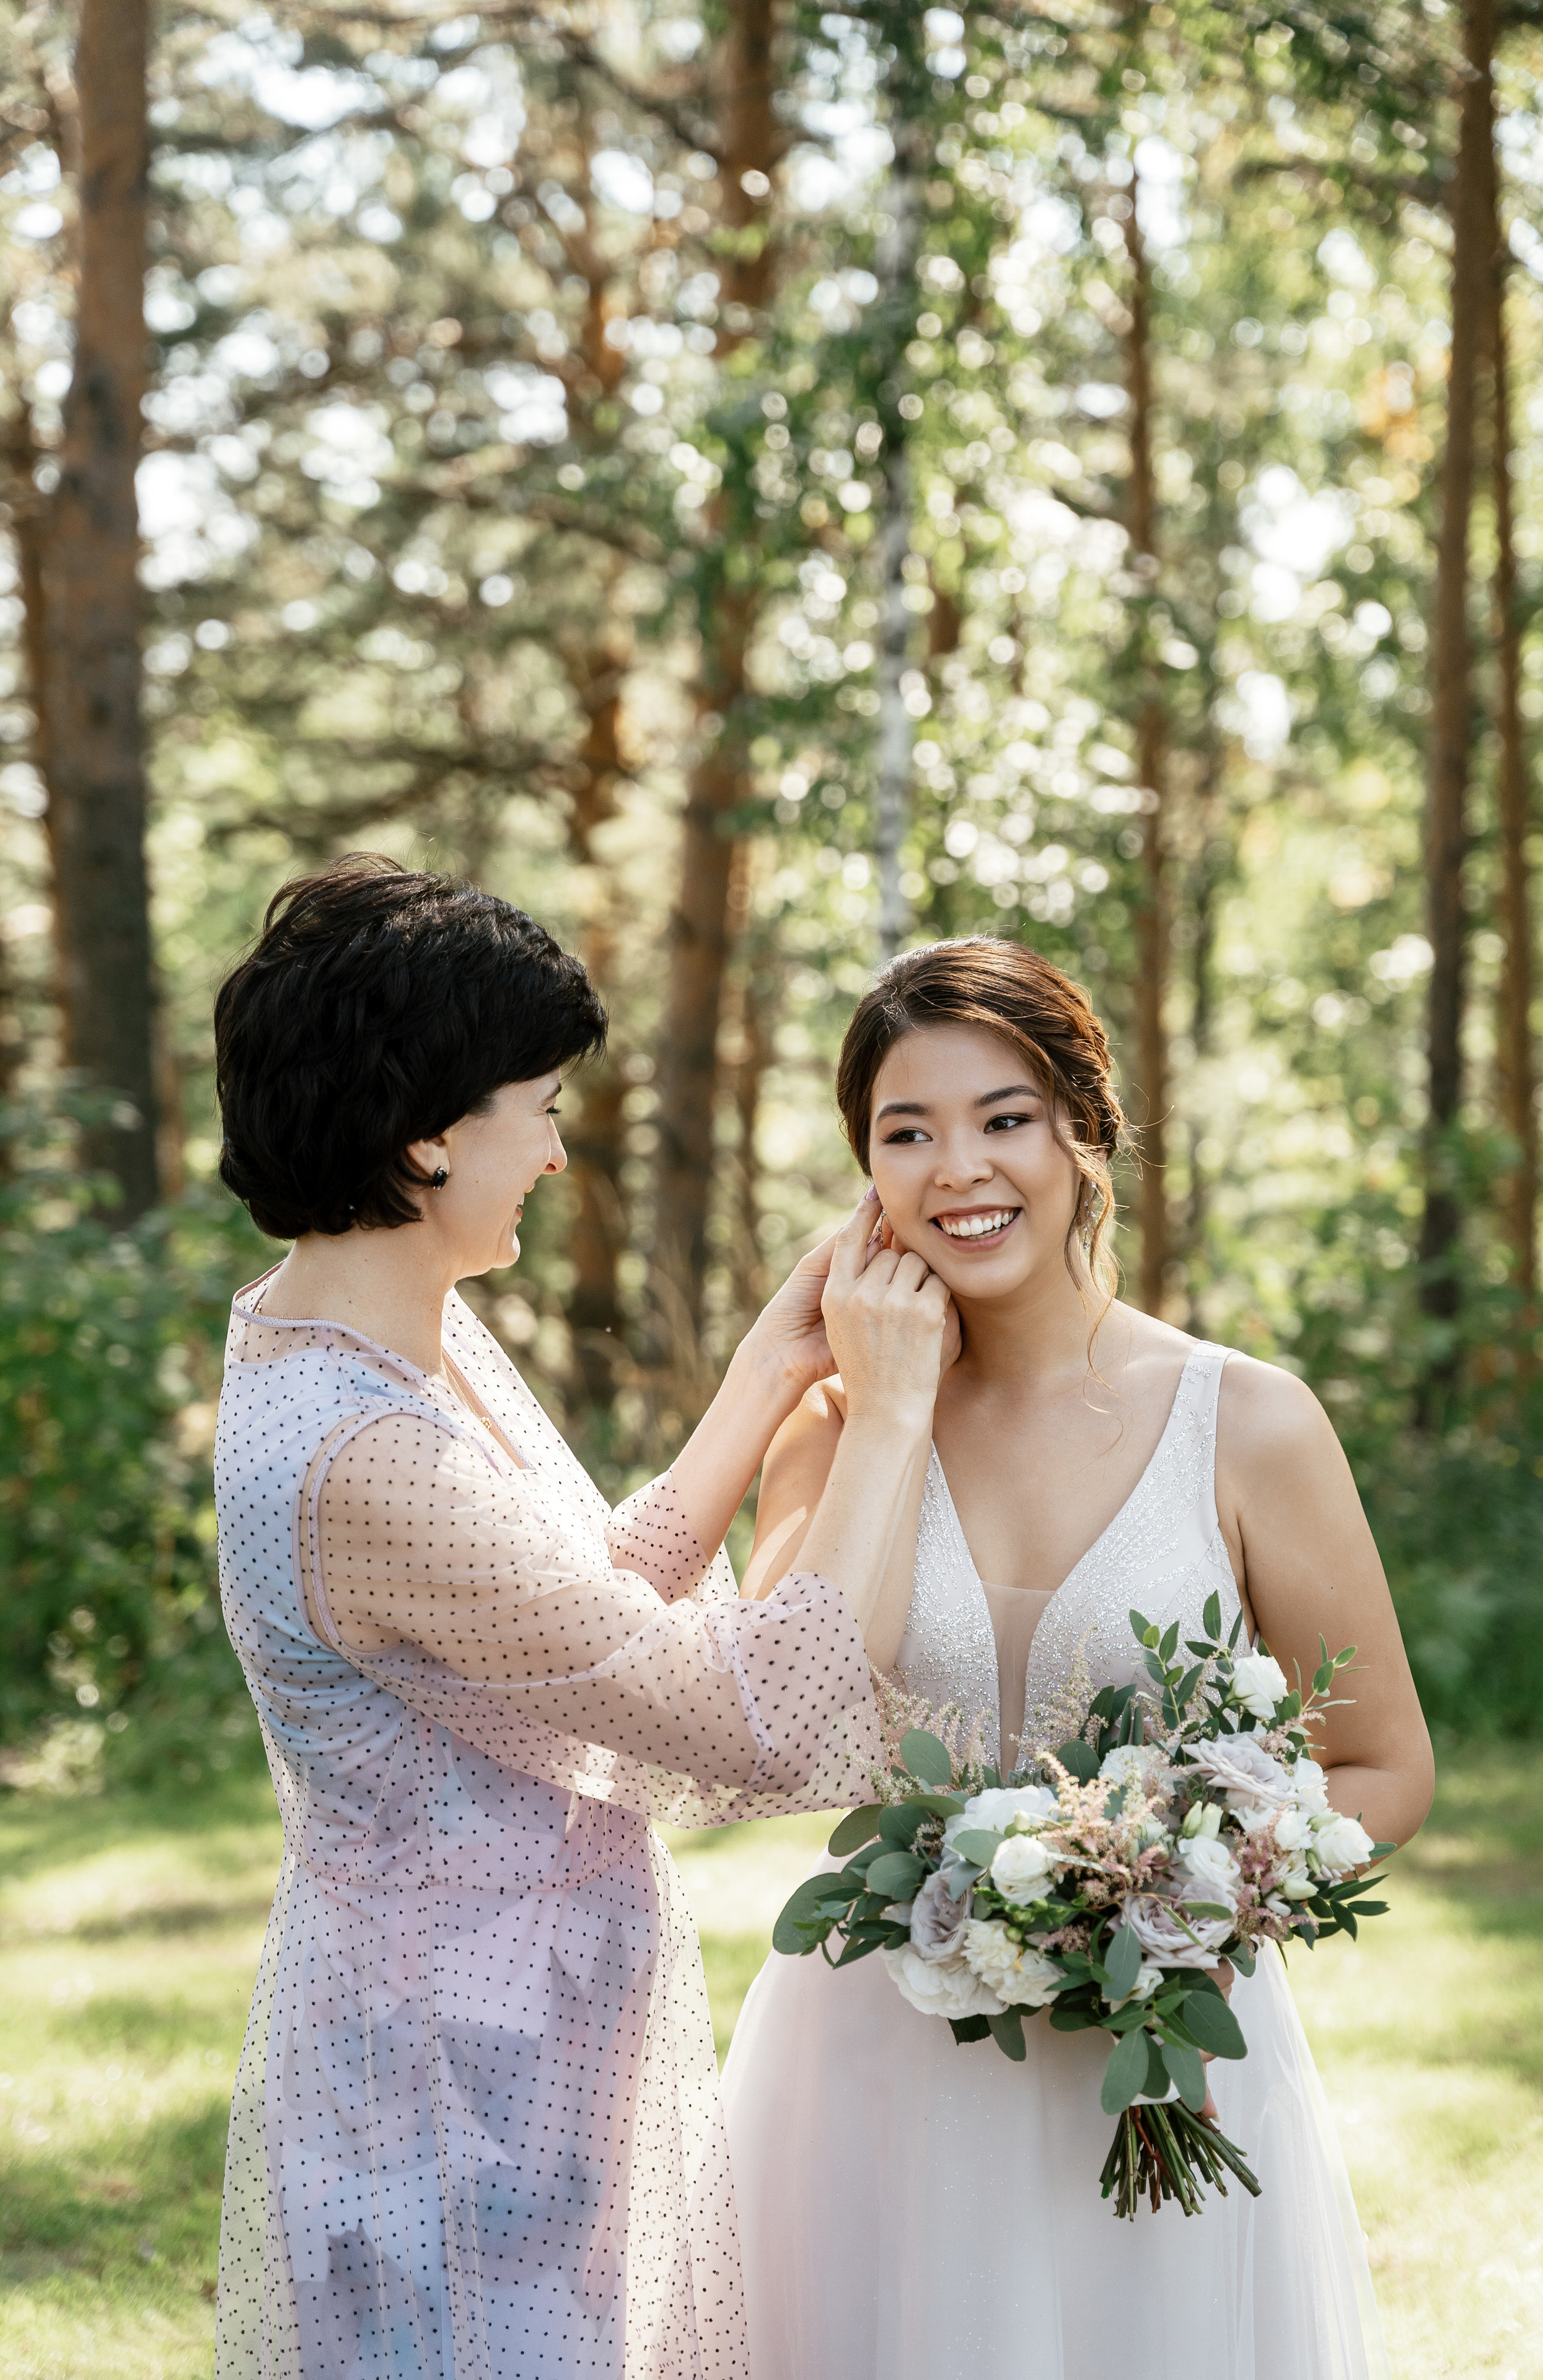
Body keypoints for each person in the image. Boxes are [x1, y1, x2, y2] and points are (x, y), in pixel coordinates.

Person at [207, 855, 956, 2379]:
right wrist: (881, 1416)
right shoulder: (363, 1452)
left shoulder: (374, 1338)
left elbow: (567, 1607)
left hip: (510, 2030)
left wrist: (758, 1379)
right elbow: (740, 1723)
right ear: (426, 1137)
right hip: (454, 2079)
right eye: (537, 1107)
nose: (557, 1154)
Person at [722, 935, 1435, 2380]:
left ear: (1084, 1130)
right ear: (865, 1173)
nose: (955, 1170)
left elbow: (1381, 1761)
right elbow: (785, 1726)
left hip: (1155, 2068)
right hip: (869, 2058)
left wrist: (1191, 1886)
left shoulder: (1247, 1423)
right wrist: (884, 1414)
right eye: (903, 1133)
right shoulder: (833, 1431)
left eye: (1002, 1119)